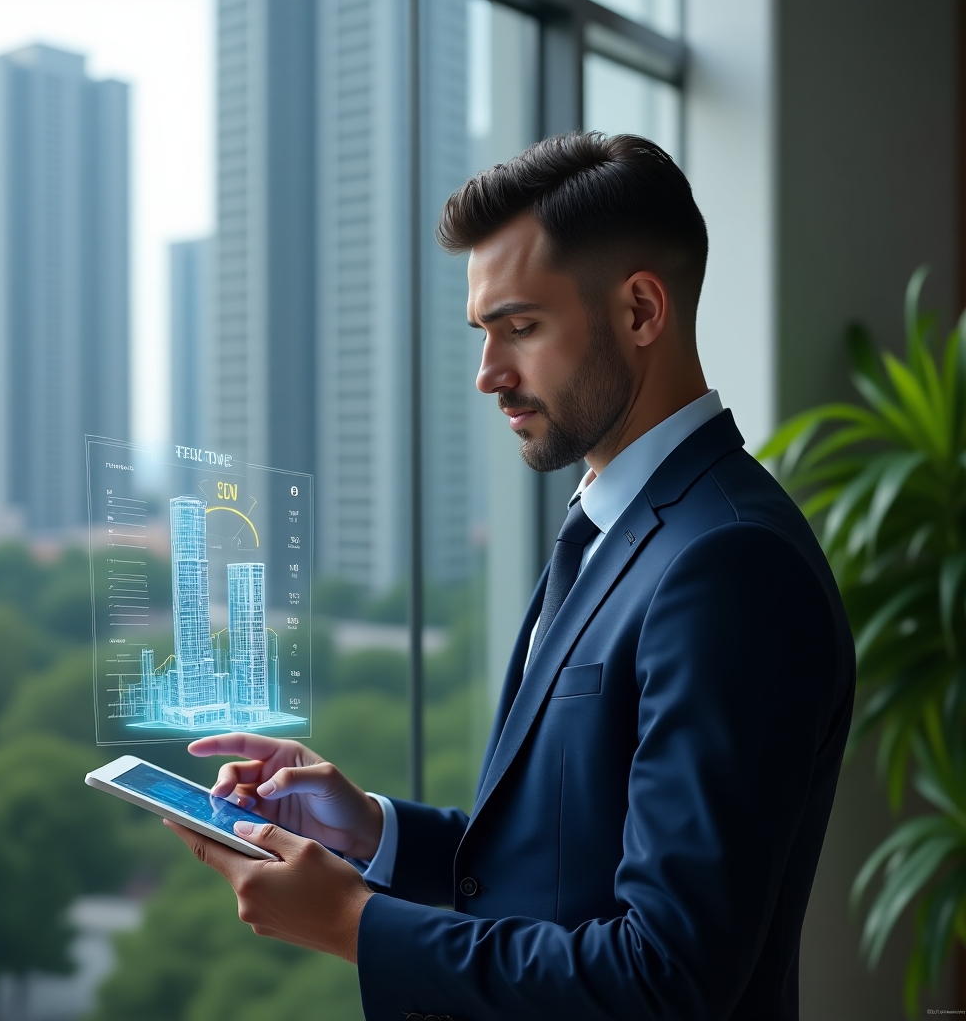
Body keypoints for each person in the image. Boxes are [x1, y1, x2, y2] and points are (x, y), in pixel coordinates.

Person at [167, 132, 855, 1021]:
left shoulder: (729, 565)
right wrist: (373, 832)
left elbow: (668, 976)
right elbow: (563, 867)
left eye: (522, 327)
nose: (490, 373)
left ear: (642, 311)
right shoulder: (611, 527)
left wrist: (353, 924)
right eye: (483, 333)